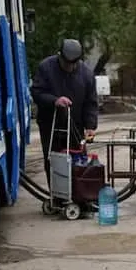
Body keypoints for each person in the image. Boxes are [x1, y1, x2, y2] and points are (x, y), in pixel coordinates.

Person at [30, 38, 98, 176]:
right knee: (54, 161)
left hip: (75, 125)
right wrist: (55, 100)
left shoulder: (86, 75)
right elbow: (37, 92)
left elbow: (90, 102)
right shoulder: (46, 68)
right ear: (59, 55)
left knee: (78, 160)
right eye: (66, 63)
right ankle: (56, 195)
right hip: (50, 125)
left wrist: (90, 126)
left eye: (73, 64)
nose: (69, 67)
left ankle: (77, 193)